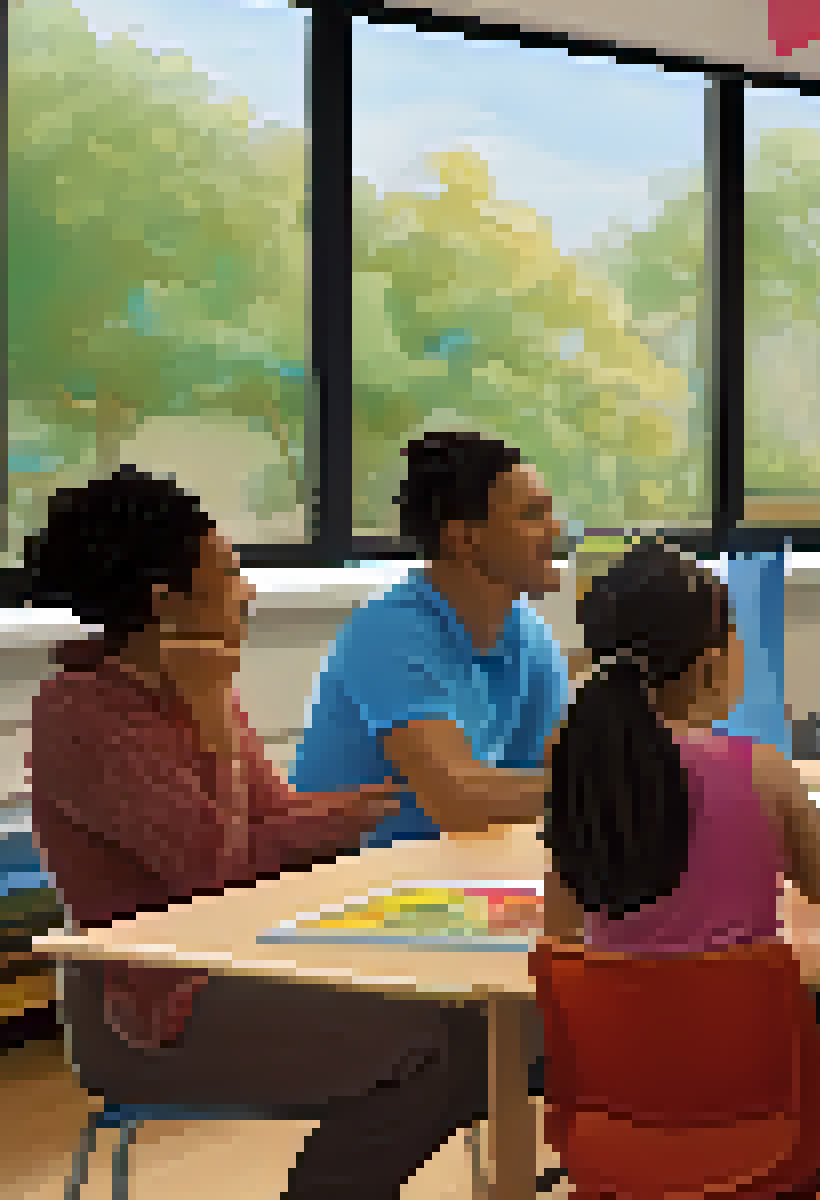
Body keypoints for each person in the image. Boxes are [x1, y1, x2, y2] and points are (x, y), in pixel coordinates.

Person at [25, 468, 492, 1200]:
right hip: (157, 1013)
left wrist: (355, 813)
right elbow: (217, 869)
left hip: (251, 965)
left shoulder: (198, 687)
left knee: (484, 1022)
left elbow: (268, 823)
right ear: (165, 600)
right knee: (439, 1042)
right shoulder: (82, 715)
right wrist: (220, 723)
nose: (247, 591)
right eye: (229, 572)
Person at [541, 539, 820, 1149]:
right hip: (751, 1062)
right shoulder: (761, 769)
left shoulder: (579, 779)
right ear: (709, 666)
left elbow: (561, 930)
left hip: (623, 1069)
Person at [293, 432, 571, 846]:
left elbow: (557, 766)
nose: (556, 529)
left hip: (454, 871)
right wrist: (603, 785)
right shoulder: (391, 634)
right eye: (532, 515)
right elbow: (459, 799)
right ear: (463, 539)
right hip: (352, 873)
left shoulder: (528, 635)